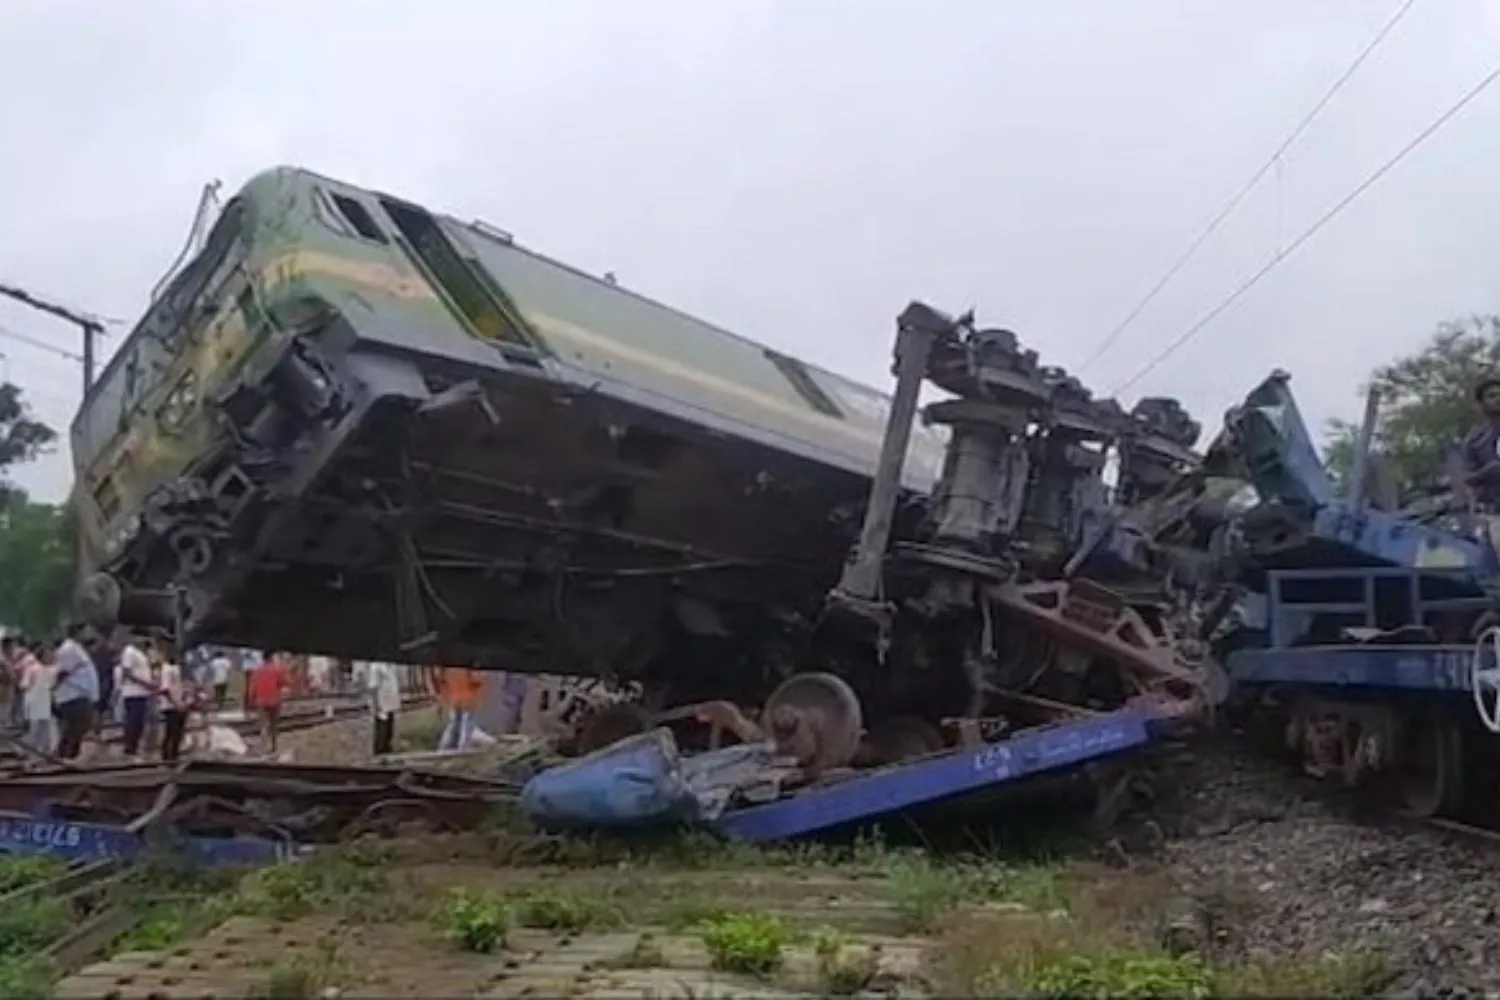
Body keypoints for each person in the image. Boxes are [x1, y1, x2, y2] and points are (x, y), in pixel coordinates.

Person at [51, 625, 99, 760]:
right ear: (78, 632)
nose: (88, 633)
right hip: (73, 695)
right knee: (74, 729)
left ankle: (69, 756)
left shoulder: (76, 648)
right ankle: (65, 757)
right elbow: (63, 672)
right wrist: (52, 690)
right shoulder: (68, 649)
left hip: (80, 695)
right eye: (85, 631)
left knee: (78, 729)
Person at [117, 636, 156, 760]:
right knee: (133, 721)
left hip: (142, 693)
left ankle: (134, 748)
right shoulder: (129, 651)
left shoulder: (141, 653)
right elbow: (127, 673)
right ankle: (129, 749)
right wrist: (145, 683)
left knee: (139, 723)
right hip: (133, 692)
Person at [247, 651, 290, 755]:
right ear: (272, 658)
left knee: (263, 725)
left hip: (261, 701)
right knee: (274, 725)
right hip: (275, 700)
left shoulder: (257, 671)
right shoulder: (278, 669)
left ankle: (264, 747)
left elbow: (252, 688)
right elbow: (285, 682)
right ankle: (274, 747)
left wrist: (251, 701)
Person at [17, 640, 55, 754]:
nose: (50, 657)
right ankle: (23, 749)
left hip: (42, 703)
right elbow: (24, 685)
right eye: (47, 656)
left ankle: (41, 751)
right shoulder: (33, 669)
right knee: (36, 729)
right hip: (35, 703)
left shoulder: (48, 670)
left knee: (43, 729)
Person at [437, 666, 485, 752]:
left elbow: (443, 681)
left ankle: (443, 748)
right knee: (466, 726)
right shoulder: (466, 668)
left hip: (454, 698)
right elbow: (476, 680)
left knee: (453, 725)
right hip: (468, 699)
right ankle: (462, 749)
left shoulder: (448, 668)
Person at [157, 652, 189, 762]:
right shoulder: (166, 669)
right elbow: (165, 690)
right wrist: (176, 703)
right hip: (170, 705)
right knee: (172, 732)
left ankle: (174, 756)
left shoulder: (178, 669)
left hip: (180, 703)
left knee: (178, 733)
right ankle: (167, 757)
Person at [365, 661, 401, 757]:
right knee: (382, 730)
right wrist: (376, 706)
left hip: (390, 704)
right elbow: (373, 687)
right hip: (382, 704)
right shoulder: (376, 666)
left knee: (389, 730)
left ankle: (387, 749)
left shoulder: (391, 665)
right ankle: (380, 753)